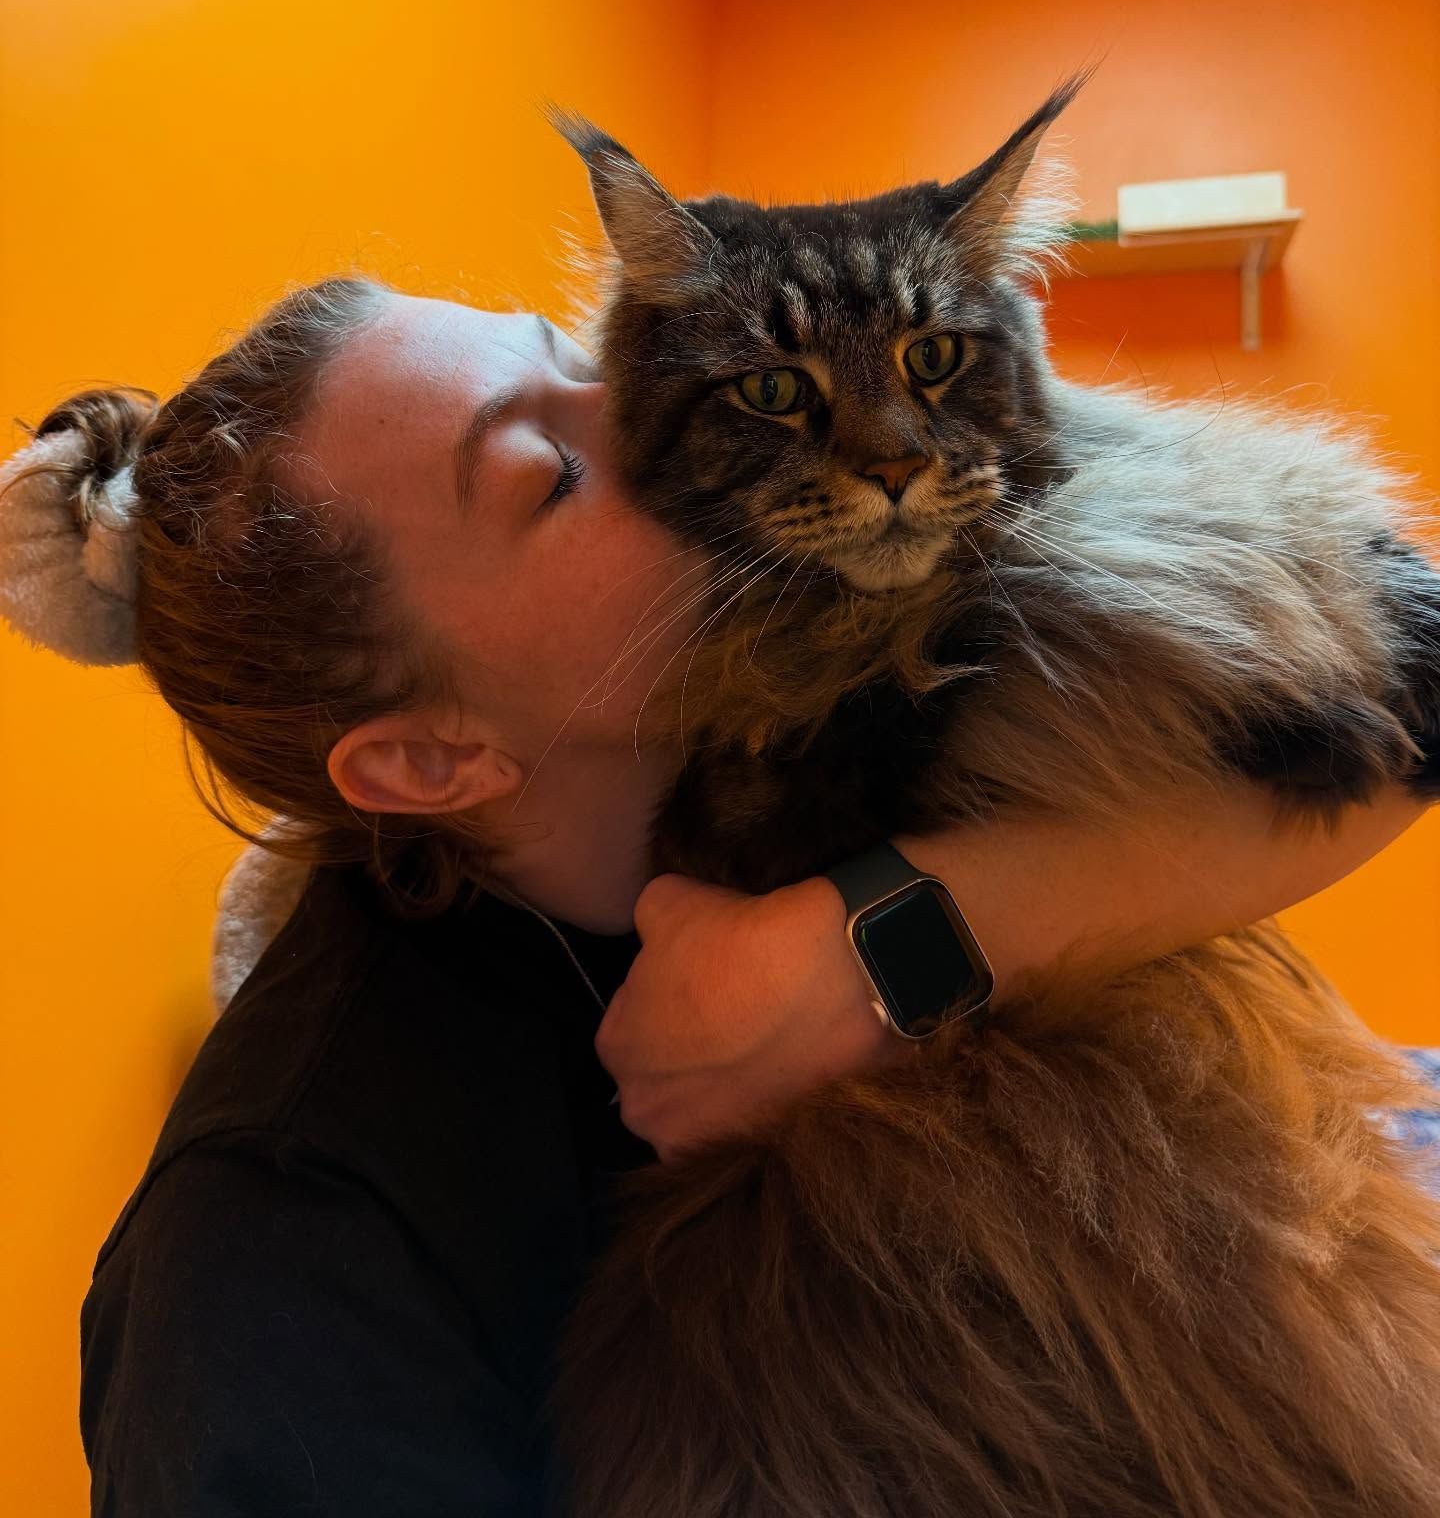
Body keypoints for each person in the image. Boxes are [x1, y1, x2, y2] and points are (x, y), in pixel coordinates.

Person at [0, 275, 1425, 1518]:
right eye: (545, 475)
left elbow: (1405, 688)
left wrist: (901, 941)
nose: (655, 411)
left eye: (583, 354)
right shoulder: (282, 1251)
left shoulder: (864, 639)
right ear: (433, 756)